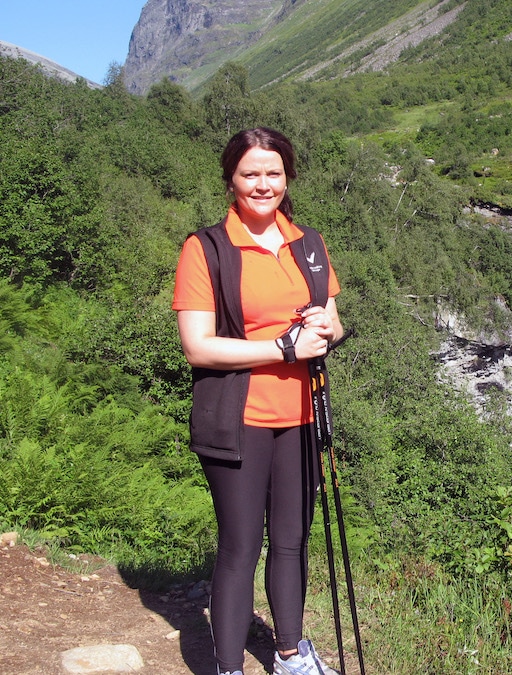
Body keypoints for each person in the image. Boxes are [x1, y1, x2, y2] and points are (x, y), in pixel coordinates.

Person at [173, 127, 344, 675]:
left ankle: (291, 653)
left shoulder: (309, 244)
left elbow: (333, 323)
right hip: (238, 417)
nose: (263, 184)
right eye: (251, 173)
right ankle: (229, 668)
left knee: (292, 542)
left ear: (287, 177)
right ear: (231, 179)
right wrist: (281, 347)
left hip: (300, 415)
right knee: (241, 546)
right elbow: (197, 347)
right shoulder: (206, 249)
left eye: (273, 173)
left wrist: (324, 327)